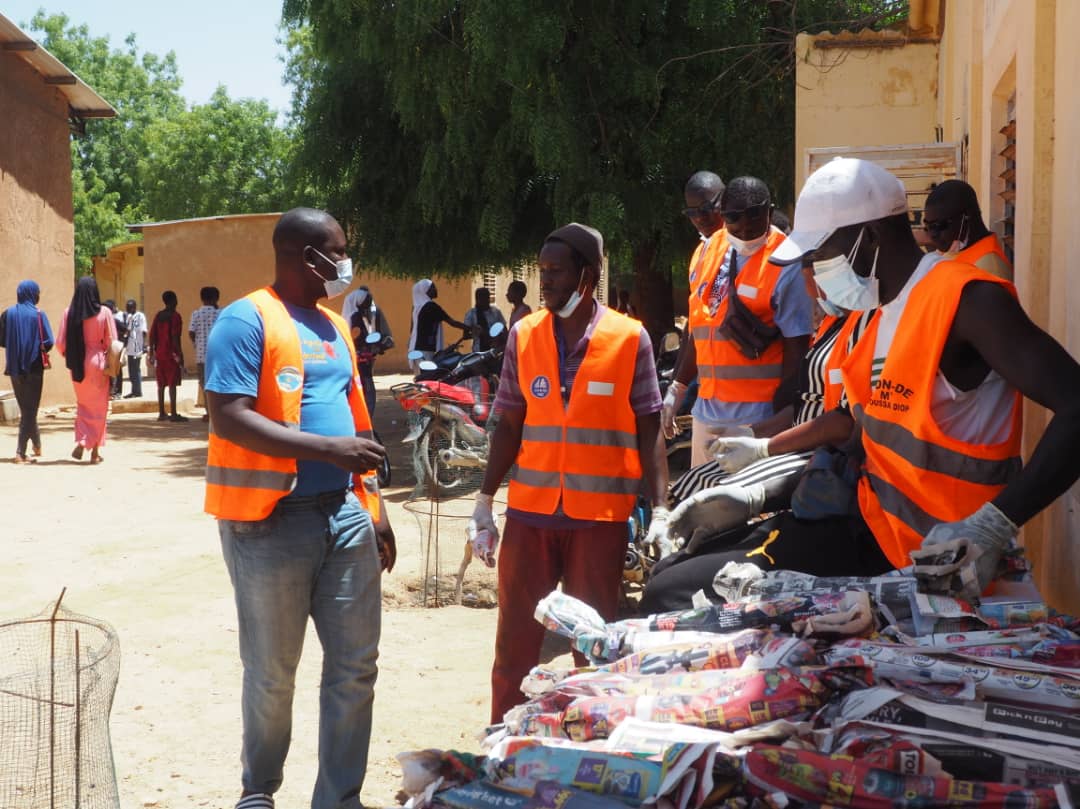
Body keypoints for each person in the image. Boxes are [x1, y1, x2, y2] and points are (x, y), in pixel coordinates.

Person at [644, 158, 1080, 611]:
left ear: (867, 238)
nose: (813, 273)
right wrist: (758, 492)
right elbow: (856, 429)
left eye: (820, 256)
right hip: (868, 524)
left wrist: (995, 525)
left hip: (935, 559)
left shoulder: (968, 300)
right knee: (672, 574)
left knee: (671, 594)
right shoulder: (874, 312)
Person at [204, 207, 396, 809]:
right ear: (304, 255)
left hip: (343, 516)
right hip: (270, 522)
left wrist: (377, 511)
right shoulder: (245, 320)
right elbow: (229, 415)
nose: (346, 260)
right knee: (271, 672)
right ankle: (258, 792)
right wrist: (328, 448)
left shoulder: (337, 326)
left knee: (355, 668)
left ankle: (338, 799)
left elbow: (357, 422)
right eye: (338, 250)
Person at [467, 222, 668, 723]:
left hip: (597, 518)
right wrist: (484, 502)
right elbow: (509, 423)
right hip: (532, 515)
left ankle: (592, 739)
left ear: (587, 275)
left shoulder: (629, 338)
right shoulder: (525, 334)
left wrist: (661, 509)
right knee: (515, 642)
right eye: (541, 272)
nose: (545, 282)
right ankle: (503, 739)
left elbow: (650, 428)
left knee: (593, 644)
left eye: (556, 272)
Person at [665, 176, 815, 466]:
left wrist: (777, 423)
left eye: (753, 228)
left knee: (745, 506)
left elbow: (797, 348)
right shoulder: (707, 250)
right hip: (706, 411)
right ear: (724, 216)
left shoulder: (786, 260)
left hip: (756, 416)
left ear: (769, 213)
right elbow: (699, 326)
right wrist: (678, 388)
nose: (745, 235)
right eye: (737, 228)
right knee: (702, 500)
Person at [56, 277, 116, 465]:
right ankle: (95, 451)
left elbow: (60, 344)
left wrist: (71, 355)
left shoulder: (69, 313)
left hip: (77, 365)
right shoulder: (104, 312)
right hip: (97, 363)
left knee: (83, 405)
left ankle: (83, 440)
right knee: (99, 408)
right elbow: (112, 341)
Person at [0, 280, 54, 463]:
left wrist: (16, 344)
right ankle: (20, 453)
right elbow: (49, 341)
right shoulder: (39, 315)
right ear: (32, 294)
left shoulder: (8, 314)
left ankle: (37, 444)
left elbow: (2, 340)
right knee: (30, 411)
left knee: (27, 409)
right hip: (34, 367)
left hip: (14, 367)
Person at [923, 179, 1011, 278]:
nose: (933, 234)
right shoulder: (954, 249)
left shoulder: (989, 268)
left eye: (939, 225)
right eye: (928, 226)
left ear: (966, 217)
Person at [349, 286, 394, 419]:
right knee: (365, 387)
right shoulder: (355, 317)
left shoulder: (366, 315)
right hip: (359, 358)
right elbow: (355, 336)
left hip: (366, 358)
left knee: (366, 387)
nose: (370, 301)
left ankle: (366, 415)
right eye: (367, 299)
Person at [407, 279, 469, 373]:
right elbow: (452, 322)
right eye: (432, 287)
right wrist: (471, 328)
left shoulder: (416, 307)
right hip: (425, 350)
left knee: (420, 378)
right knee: (428, 378)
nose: (436, 289)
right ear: (426, 290)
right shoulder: (431, 307)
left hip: (414, 348)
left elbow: (412, 329)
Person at [148, 290, 187, 423]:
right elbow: (176, 337)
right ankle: (174, 413)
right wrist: (180, 354)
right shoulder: (175, 316)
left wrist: (151, 353)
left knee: (161, 384)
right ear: (173, 301)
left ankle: (161, 413)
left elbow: (152, 335)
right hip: (171, 354)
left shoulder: (158, 316)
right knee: (172, 384)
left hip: (160, 354)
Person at [189, 286, 221, 422]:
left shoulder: (196, 314)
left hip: (201, 356)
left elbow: (191, 332)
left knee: (205, 384)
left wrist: (196, 344)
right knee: (218, 383)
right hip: (218, 355)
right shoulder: (220, 313)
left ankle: (209, 413)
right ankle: (218, 412)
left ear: (202, 299)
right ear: (216, 298)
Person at [463, 287, 507, 352]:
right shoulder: (471, 314)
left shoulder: (496, 312)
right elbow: (465, 336)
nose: (487, 300)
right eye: (483, 298)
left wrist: (498, 338)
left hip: (495, 351)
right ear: (477, 299)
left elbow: (504, 330)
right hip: (478, 352)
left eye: (487, 298)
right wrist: (476, 334)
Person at [122, 299, 147, 398]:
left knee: (136, 369)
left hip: (137, 346)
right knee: (131, 371)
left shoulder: (140, 316)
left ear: (134, 307)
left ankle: (138, 391)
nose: (127, 309)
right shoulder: (129, 317)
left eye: (129, 307)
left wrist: (143, 345)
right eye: (126, 307)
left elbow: (144, 331)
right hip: (130, 347)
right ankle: (133, 390)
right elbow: (128, 331)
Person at [104, 300, 127, 399]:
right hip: (108, 349)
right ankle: (111, 392)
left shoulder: (114, 321)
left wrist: (121, 341)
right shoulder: (105, 320)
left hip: (115, 348)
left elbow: (125, 329)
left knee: (117, 370)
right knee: (109, 371)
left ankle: (117, 392)